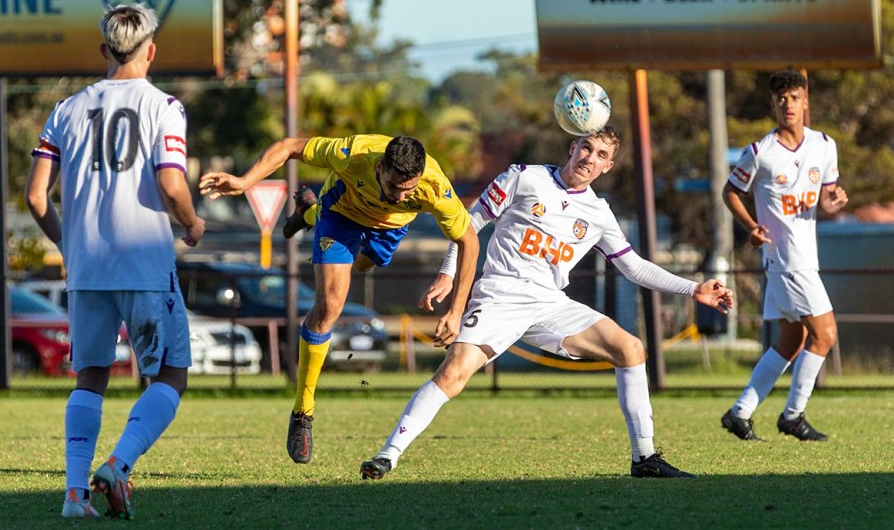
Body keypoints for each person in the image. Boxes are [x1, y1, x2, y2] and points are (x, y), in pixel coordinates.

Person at [359, 126, 734, 481]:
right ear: (572, 147)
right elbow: (468, 226)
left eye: (601, 154)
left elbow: (633, 266)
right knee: (454, 373)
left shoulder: (599, 214)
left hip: (552, 303)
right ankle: (387, 455)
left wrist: (693, 289)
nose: (590, 157)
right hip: (500, 295)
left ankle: (645, 459)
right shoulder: (523, 177)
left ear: (608, 166)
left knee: (630, 348)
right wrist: (447, 274)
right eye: (585, 147)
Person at [25, 4, 205, 519]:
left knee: (90, 378)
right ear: (151, 50)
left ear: (104, 51)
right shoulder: (164, 106)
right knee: (171, 374)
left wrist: (67, 245)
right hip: (145, 266)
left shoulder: (65, 109)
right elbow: (172, 184)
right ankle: (120, 465)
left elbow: (37, 198)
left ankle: (75, 495)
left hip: (87, 269)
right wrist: (191, 224)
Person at [199, 135, 479, 464]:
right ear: (379, 167)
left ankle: (306, 213)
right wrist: (245, 181)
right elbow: (290, 147)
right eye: (393, 186)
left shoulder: (434, 188)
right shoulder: (352, 153)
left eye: (408, 190)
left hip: (388, 228)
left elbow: (469, 242)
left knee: (363, 264)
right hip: (342, 212)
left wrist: (456, 311)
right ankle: (303, 412)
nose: (401, 195)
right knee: (331, 306)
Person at [720, 70, 847, 442]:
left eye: (794, 97)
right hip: (786, 258)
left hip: (805, 256)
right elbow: (730, 191)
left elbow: (828, 197)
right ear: (773, 104)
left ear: (805, 101)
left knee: (791, 341)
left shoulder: (824, 145)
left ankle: (740, 412)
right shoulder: (761, 152)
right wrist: (751, 226)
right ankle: (792, 415)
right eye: (781, 99)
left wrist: (835, 201)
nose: (788, 104)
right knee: (825, 334)